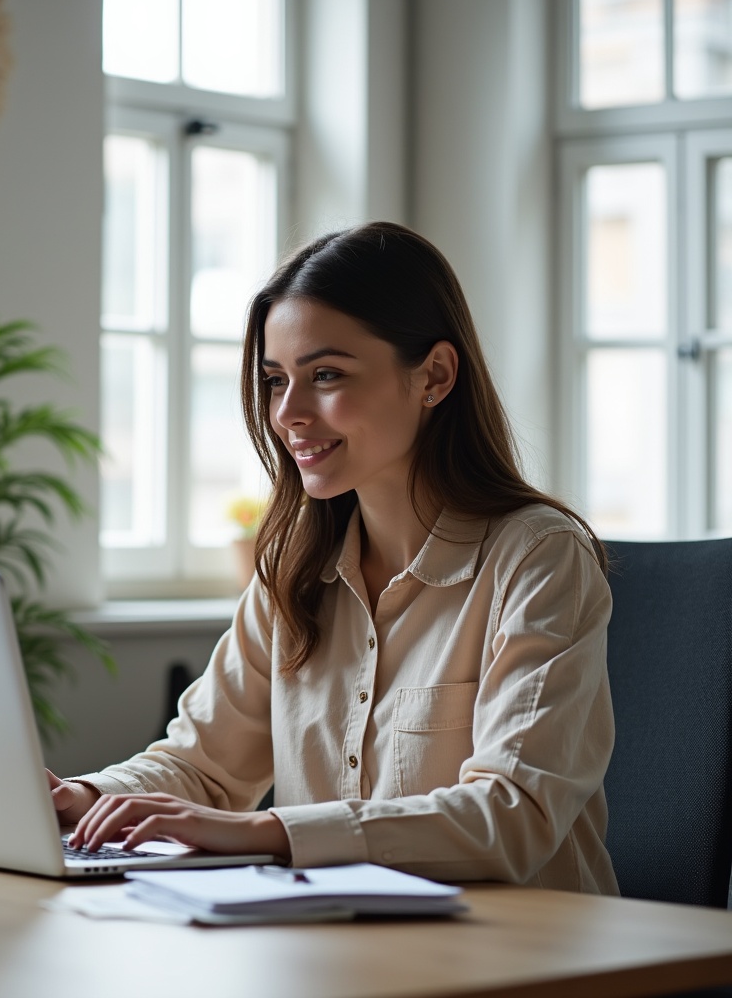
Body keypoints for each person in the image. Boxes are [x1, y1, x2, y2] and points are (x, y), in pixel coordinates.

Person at [50, 221, 619, 894]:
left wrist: (268, 832)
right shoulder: (294, 565)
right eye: (274, 379)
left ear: (434, 375)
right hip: (341, 950)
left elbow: (513, 815)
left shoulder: (539, 558)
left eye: (325, 375)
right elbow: (203, 766)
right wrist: (82, 798)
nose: (287, 412)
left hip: (525, 958)